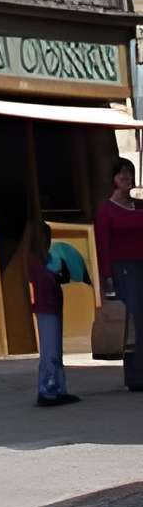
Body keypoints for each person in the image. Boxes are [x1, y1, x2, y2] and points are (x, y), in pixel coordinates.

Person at [94, 159, 143, 390]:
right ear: (113, 179)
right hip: (124, 269)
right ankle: (135, 377)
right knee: (133, 319)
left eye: (129, 174)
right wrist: (107, 277)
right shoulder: (107, 210)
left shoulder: (140, 205)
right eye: (122, 174)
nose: (126, 178)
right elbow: (103, 245)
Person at [27, 218, 88, 406]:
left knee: (55, 350)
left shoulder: (45, 259)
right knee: (50, 350)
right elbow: (42, 281)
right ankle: (48, 389)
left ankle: (57, 388)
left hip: (52, 305)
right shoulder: (35, 260)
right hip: (46, 307)